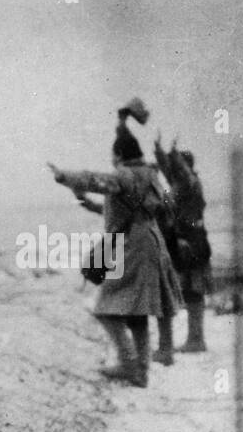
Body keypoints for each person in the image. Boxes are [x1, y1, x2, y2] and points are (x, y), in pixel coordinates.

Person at [50, 117, 173, 388]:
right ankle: (141, 370)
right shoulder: (149, 175)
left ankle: (129, 364)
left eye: (113, 155)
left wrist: (63, 176)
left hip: (131, 245)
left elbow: (97, 180)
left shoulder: (125, 175)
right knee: (137, 313)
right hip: (149, 241)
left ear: (118, 155)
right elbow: (125, 207)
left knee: (106, 308)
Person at [154, 135, 212, 353]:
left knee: (194, 291)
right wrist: (159, 151)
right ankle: (194, 339)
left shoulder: (190, 183)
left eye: (176, 164)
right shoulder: (181, 184)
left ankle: (196, 340)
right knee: (190, 291)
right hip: (188, 242)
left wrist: (172, 153)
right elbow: (169, 170)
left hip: (193, 242)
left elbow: (177, 171)